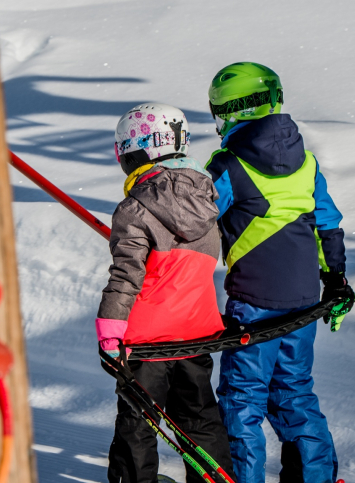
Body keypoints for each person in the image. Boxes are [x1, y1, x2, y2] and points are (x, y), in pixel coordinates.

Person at [204, 62, 355, 483]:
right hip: (304, 301)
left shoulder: (228, 166)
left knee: (243, 399)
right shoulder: (306, 162)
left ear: (230, 113)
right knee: (294, 391)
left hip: (254, 304)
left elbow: (195, 222)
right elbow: (327, 223)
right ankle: (316, 477)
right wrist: (336, 278)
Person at [98, 103, 238, 483]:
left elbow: (126, 275)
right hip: (195, 331)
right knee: (199, 416)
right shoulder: (207, 201)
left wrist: (110, 331)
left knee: (139, 419)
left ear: (137, 152)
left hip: (145, 341)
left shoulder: (133, 209)